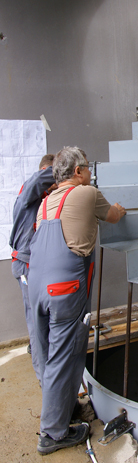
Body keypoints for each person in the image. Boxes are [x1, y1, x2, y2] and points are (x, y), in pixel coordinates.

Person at [28, 146, 126, 455]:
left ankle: (61, 410)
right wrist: (122, 209)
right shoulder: (86, 193)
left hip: (37, 289)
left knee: (46, 355)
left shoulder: (46, 204)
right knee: (65, 358)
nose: (90, 173)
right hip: (64, 290)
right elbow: (113, 215)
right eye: (87, 168)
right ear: (78, 172)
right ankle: (53, 434)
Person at [9, 154, 56, 380]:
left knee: (44, 319)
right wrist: (68, 170)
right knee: (36, 322)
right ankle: (44, 380)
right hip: (26, 265)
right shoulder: (31, 189)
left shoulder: (45, 197)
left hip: (38, 264)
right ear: (47, 171)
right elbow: (39, 180)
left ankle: (42, 359)